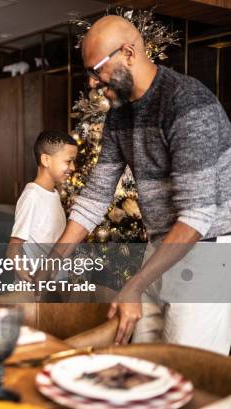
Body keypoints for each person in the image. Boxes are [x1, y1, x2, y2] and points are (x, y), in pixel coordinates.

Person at [45, 15, 231, 354]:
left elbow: (197, 215)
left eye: (96, 70)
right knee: (144, 366)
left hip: (205, 253)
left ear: (128, 53)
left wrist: (133, 286)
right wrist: (52, 262)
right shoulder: (121, 114)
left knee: (184, 375)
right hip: (158, 250)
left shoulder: (187, 103)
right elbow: (95, 196)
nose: (92, 83)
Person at [9, 130, 77, 257]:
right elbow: (14, 248)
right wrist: (27, 275)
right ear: (46, 160)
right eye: (68, 161)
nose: (73, 167)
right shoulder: (32, 196)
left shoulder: (54, 193)